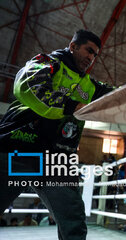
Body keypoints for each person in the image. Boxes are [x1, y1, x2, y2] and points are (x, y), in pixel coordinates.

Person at [0, 29, 114, 239]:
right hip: (18, 148)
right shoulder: (48, 62)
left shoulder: (90, 87)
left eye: (95, 54)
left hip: (57, 159)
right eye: (88, 50)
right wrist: (73, 105)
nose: (91, 58)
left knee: (74, 224)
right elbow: (28, 86)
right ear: (73, 46)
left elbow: (119, 97)